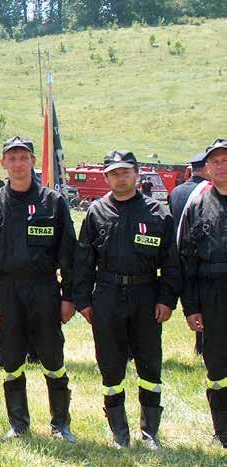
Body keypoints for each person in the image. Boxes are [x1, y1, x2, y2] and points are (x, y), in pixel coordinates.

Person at [0, 137, 77, 442]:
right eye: (12, 158)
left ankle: (61, 424)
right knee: (12, 359)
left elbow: (69, 253)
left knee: (53, 358)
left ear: (33, 161)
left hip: (44, 289)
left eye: (23, 157)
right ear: (3, 163)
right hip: (7, 292)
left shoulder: (53, 202)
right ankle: (18, 424)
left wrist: (68, 295)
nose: (18, 163)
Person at [74, 150, 180, 450]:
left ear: (136, 174)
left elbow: (171, 262)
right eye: (115, 173)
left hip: (146, 295)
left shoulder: (158, 212)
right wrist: (83, 301)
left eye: (126, 172)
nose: (121, 177)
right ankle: (119, 432)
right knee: (110, 365)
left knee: (149, 364)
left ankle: (150, 433)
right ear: (106, 177)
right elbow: (83, 260)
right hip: (107, 295)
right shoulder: (96, 212)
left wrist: (167, 299)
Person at [179, 138, 227, 448]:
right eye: (216, 161)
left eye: (226, 159)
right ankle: (222, 429)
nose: (221, 165)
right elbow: (185, 258)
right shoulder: (196, 203)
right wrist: (191, 307)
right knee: (218, 365)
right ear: (206, 168)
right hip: (212, 294)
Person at [170, 151, 210, 355]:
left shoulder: (177, 191)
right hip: (196, 252)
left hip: (177, 253)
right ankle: (202, 345)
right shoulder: (205, 193)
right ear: (206, 168)